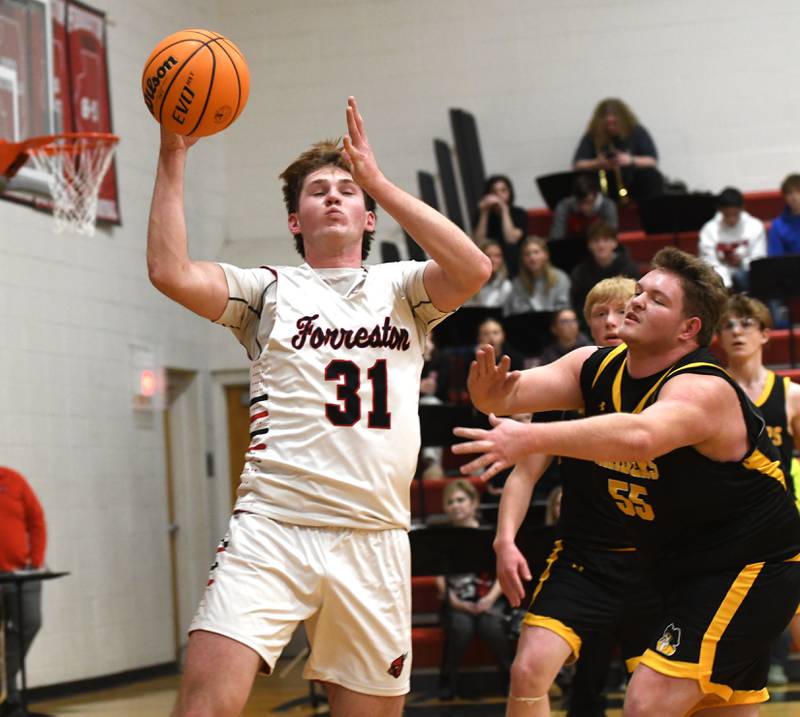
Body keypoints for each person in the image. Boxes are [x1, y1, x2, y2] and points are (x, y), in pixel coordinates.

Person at [147, 97, 491, 717]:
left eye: (346, 190)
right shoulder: (267, 290)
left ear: (367, 217)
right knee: (203, 705)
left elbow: (473, 266)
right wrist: (173, 154)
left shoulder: (404, 288)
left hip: (374, 536)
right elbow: (170, 270)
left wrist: (380, 181)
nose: (334, 196)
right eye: (316, 191)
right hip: (274, 523)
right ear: (294, 221)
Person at [454, 247, 800, 716]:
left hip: (751, 564)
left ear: (688, 328)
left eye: (655, 300)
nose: (635, 302)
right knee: (715, 709)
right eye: (639, 291)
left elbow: (641, 436)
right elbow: (511, 393)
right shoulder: (593, 366)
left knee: (646, 701)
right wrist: (486, 392)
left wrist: (527, 435)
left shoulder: (704, 388)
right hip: (680, 568)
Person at [492, 278, 661, 717]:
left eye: (621, 311)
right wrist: (505, 539)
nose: (610, 322)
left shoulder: (673, 384)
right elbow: (526, 472)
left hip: (656, 564)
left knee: (652, 700)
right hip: (583, 560)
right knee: (529, 671)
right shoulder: (570, 384)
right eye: (598, 314)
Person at [717, 294, 800, 687]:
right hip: (723, 527)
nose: (736, 331)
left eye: (745, 324)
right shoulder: (708, 389)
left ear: (766, 334)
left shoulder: (791, 395)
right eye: (728, 325)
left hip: (782, 526)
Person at [436, 479, 512, 700]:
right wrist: (456, 602)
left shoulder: (492, 534)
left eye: (461, 500)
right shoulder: (442, 538)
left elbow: (502, 573)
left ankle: (510, 677)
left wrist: (489, 600)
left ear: (474, 503)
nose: (455, 505)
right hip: (456, 601)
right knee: (461, 628)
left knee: (493, 627)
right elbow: (439, 578)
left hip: (490, 598)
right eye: (450, 502)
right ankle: (448, 681)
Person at [0, 466, 47, 717]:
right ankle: (9, 694)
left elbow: (36, 519)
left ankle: (5, 686)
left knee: (29, 623)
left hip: (20, 573)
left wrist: (36, 559)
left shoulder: (13, 480)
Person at [573, 98, 663, 203]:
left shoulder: (636, 131)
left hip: (632, 182)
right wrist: (597, 163)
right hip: (603, 184)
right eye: (607, 124)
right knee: (582, 178)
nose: (611, 128)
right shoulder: (593, 135)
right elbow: (578, 164)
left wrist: (630, 160)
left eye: (615, 123)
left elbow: (652, 160)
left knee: (651, 176)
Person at [697, 187, 766, 292]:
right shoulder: (709, 230)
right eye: (727, 215)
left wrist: (741, 262)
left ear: (742, 208)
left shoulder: (755, 226)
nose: (731, 219)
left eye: (735, 214)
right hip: (719, 279)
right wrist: (726, 280)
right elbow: (707, 263)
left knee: (742, 277)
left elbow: (759, 260)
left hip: (747, 276)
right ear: (720, 210)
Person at [569, 221, 640, 319]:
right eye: (596, 241)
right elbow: (579, 305)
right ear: (589, 245)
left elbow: (634, 299)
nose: (601, 245)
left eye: (606, 240)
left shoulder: (629, 268)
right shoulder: (580, 272)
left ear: (615, 243)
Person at [473, 175, 529, 278]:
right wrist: (484, 213)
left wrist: (504, 210)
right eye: (494, 192)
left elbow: (511, 239)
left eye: (503, 190)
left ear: (510, 192)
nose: (499, 195)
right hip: (492, 263)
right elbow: (478, 242)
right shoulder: (483, 216)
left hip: (516, 261)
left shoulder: (519, 213)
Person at [504, 237, 571, 316]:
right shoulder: (517, 283)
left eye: (536, 252)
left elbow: (564, 307)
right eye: (527, 254)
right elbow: (517, 312)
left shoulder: (560, 278)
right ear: (522, 259)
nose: (532, 258)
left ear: (546, 255)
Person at [549, 174, 618, 241]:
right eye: (580, 202)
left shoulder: (608, 205)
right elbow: (556, 237)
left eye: (589, 202)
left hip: (599, 246)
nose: (584, 208)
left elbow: (610, 237)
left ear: (596, 196)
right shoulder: (564, 206)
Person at [465, 241, 513, 308]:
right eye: (488, 255)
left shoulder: (506, 286)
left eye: (497, 256)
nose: (493, 260)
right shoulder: (467, 283)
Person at [767, 173, 800, 256]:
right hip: (791, 267)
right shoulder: (778, 226)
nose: (795, 197)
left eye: (799, 191)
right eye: (790, 193)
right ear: (785, 197)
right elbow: (776, 259)